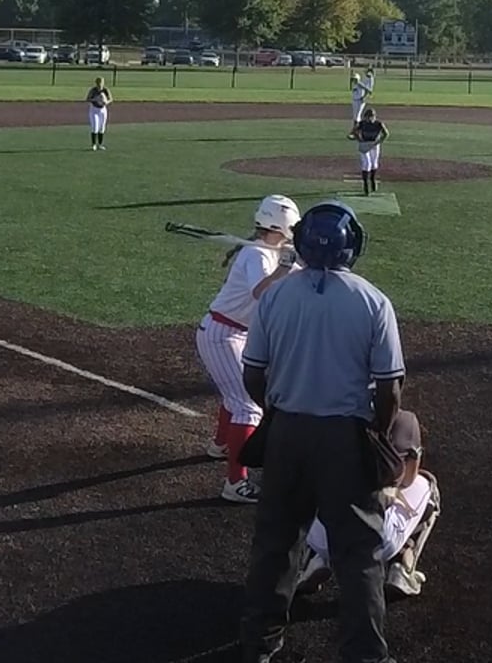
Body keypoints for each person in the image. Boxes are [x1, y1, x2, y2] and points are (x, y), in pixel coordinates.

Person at [238, 201, 406, 663]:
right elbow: (390, 388)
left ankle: (259, 644)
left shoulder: (276, 297)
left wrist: (276, 411)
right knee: (358, 555)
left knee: (275, 544)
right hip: (345, 439)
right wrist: (376, 431)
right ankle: (364, 656)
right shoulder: (373, 301)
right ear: (354, 246)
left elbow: (253, 374)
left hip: (287, 434)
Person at [196, 195, 302, 503]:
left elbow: (300, 274)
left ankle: (220, 445)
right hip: (223, 334)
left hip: (234, 333)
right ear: (282, 226)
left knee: (235, 398)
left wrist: (300, 261)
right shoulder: (256, 255)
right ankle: (235, 483)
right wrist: (283, 269)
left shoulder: (273, 251)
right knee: (248, 406)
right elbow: (260, 293)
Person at [296, 409, 441, 600]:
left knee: (311, 488)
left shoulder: (325, 413)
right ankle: (402, 566)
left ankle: (312, 559)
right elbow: (408, 479)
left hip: (322, 536)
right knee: (428, 485)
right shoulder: (404, 420)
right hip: (376, 540)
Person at [350, 108, 388, 195]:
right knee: (367, 164)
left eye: (371, 117)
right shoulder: (362, 124)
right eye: (367, 117)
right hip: (365, 145)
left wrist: (379, 141)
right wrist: (359, 139)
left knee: (374, 164)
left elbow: (386, 134)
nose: (369, 119)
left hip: (374, 145)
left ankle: (372, 180)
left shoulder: (379, 124)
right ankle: (366, 185)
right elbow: (353, 132)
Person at [86, 78, 112, 150]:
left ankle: (100, 144)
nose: (100, 84)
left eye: (101, 83)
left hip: (103, 110)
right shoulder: (93, 90)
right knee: (95, 127)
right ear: (96, 83)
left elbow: (110, 99)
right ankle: (94, 144)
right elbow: (87, 99)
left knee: (102, 127)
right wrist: (95, 99)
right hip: (94, 110)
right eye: (99, 83)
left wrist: (106, 102)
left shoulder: (105, 90)